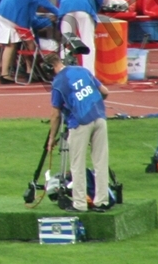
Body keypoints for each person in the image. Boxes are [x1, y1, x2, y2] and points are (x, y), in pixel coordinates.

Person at [47, 57, 110, 211]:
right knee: (101, 161)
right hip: (99, 117)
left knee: (77, 164)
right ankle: (102, 201)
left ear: (49, 68)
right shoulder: (83, 70)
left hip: (79, 122)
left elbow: (55, 114)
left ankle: (80, 204)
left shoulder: (58, 83)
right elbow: (105, 92)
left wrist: (51, 139)